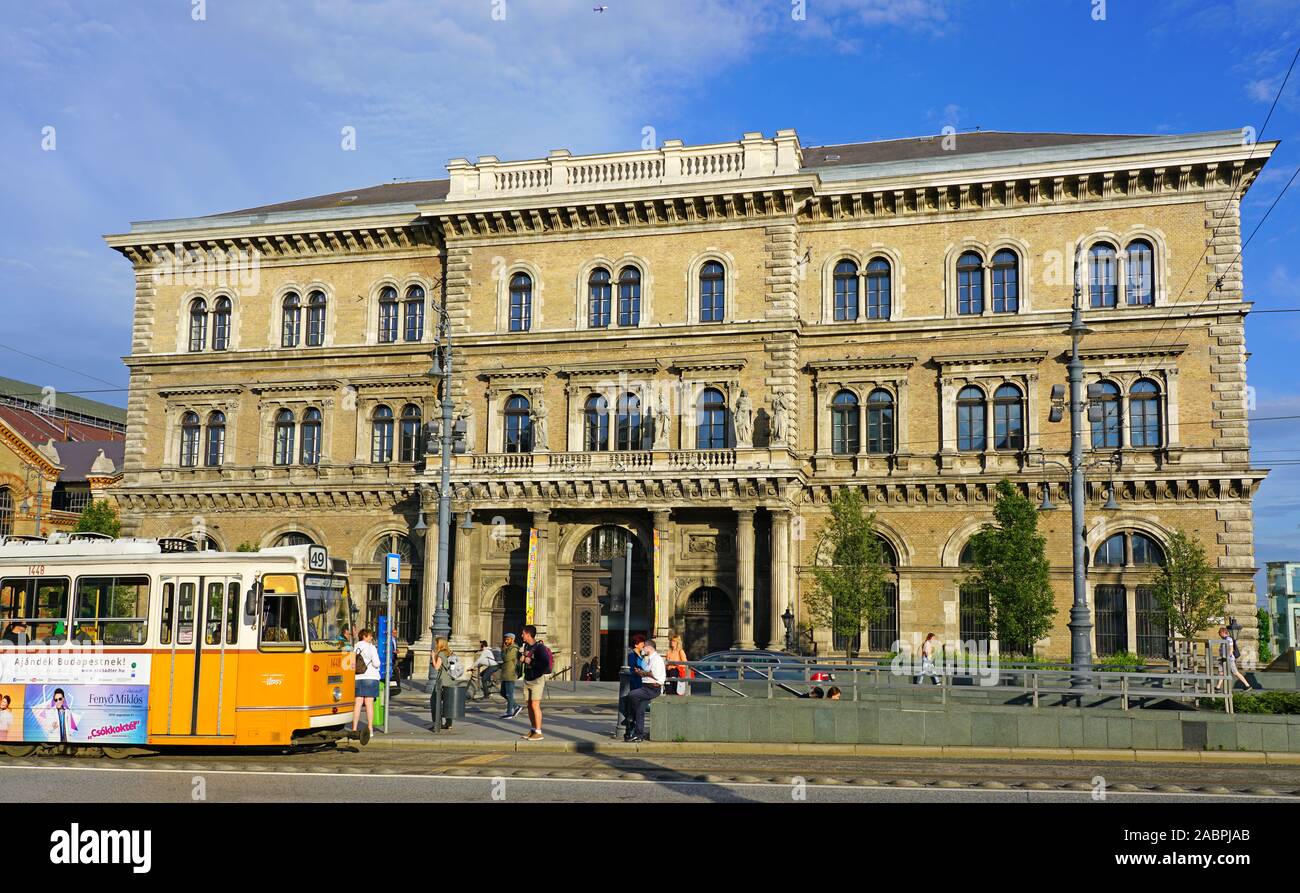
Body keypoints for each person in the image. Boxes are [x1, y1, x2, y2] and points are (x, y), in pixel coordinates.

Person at [626, 638, 666, 742]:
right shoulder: (649, 658)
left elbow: (655, 674)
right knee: (640, 710)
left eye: (644, 647)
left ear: (649, 648)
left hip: (653, 688)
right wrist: (640, 672)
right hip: (647, 687)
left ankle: (630, 716)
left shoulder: (656, 659)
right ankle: (638, 735)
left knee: (632, 694)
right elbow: (647, 671)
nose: (643, 649)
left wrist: (643, 673)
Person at [519, 625, 552, 741]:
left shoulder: (539, 648)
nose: (521, 635)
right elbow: (525, 660)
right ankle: (533, 729)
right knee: (528, 705)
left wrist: (531, 661)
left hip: (537, 679)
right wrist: (522, 659)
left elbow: (544, 664)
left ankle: (538, 732)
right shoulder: (526, 646)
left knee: (534, 705)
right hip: (528, 678)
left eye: (523, 633)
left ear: (528, 634)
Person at [351, 628, 381, 745]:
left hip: (358, 677)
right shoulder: (371, 647)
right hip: (370, 677)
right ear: (364, 636)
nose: (371, 638)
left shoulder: (355, 647)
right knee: (369, 704)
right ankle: (369, 728)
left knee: (357, 703)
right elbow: (376, 663)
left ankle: (354, 728)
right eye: (369, 636)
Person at [620, 634, 646, 740]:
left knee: (637, 708)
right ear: (636, 644)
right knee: (634, 708)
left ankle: (632, 730)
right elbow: (631, 670)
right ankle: (629, 731)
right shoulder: (632, 655)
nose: (643, 644)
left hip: (640, 682)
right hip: (635, 683)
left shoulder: (640, 654)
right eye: (642, 643)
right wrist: (640, 671)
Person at [1218, 627, 1255, 691]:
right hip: (1223, 659)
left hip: (1229, 659)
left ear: (1223, 632)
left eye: (1219, 633)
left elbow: (1231, 649)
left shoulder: (1228, 639)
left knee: (1235, 673)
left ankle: (1247, 685)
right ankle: (1218, 687)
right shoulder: (1224, 639)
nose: (1219, 634)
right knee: (1221, 672)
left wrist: (1227, 657)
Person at [431, 637, 456, 730]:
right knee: (448, 702)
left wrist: (433, 656)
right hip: (450, 681)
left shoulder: (441, 653)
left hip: (442, 682)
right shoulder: (449, 653)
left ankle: (437, 723)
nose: (435, 645)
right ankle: (449, 724)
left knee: (434, 701)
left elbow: (437, 667)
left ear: (440, 644)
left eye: (436, 643)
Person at [499, 633, 522, 719]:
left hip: (510, 674)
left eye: (508, 639)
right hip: (505, 674)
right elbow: (503, 657)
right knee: (503, 693)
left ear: (512, 639)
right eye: (505, 639)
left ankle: (509, 712)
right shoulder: (507, 648)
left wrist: (503, 649)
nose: (505, 641)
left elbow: (505, 658)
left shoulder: (514, 649)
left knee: (509, 694)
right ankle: (516, 706)